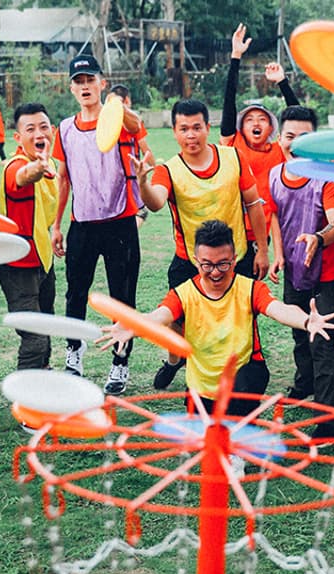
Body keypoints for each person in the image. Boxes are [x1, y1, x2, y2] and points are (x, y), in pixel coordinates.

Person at [97, 219, 334, 423]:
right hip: (202, 385)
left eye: (223, 264)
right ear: (196, 261)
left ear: (234, 259)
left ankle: (238, 433)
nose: (215, 272)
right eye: (207, 265)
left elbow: (279, 310)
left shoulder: (250, 288)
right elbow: (159, 316)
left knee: (235, 411)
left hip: (243, 375)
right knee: (207, 433)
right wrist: (134, 325)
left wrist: (307, 321)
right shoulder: (183, 293)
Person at [134, 98, 269, 390]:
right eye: (184, 129)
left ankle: (236, 373)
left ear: (208, 127)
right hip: (190, 261)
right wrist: (143, 183)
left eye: (197, 127)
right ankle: (174, 360)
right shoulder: (168, 170)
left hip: (234, 258)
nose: (191, 135)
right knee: (178, 321)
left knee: (237, 319)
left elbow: (254, 205)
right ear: (174, 131)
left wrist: (262, 249)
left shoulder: (233, 158)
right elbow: (155, 202)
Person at [51, 55, 143, 395]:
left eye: (91, 79)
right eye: (79, 81)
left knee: (122, 296)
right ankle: (74, 353)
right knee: (75, 292)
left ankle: (120, 362)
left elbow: (137, 127)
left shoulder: (117, 120)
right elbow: (63, 179)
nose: (85, 86)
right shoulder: (65, 129)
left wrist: (116, 107)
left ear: (102, 83)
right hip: (83, 224)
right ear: (71, 88)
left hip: (120, 223)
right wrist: (56, 225)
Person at [267, 105, 334, 439]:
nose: (296, 143)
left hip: (328, 272)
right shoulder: (275, 174)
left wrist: (318, 238)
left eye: (305, 137)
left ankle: (329, 422)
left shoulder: (327, 176)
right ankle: (305, 384)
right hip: (294, 269)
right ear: (279, 139)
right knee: (300, 332)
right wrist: (278, 254)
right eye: (290, 136)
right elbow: (274, 214)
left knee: (322, 340)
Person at [220, 23, 300, 278]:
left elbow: (299, 122)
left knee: (251, 291)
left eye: (262, 119)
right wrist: (235, 57)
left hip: (261, 235)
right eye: (249, 119)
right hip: (229, 231)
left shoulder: (279, 151)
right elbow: (229, 102)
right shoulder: (233, 143)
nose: (256, 123)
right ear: (241, 127)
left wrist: (282, 82)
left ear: (271, 128)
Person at [0, 102, 58, 370]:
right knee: (35, 338)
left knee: (46, 324)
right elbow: (23, 176)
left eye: (43, 127)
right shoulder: (16, 166)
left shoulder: (49, 162)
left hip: (42, 259)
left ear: (52, 130)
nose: (39, 134)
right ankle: (25, 392)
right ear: (18, 138)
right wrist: (37, 168)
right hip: (17, 266)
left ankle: (43, 379)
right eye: (30, 129)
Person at [108, 83, 153, 228]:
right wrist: (156, 168)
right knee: (140, 211)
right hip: (131, 176)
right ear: (127, 100)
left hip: (110, 177)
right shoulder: (133, 121)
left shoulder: (105, 121)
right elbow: (145, 148)